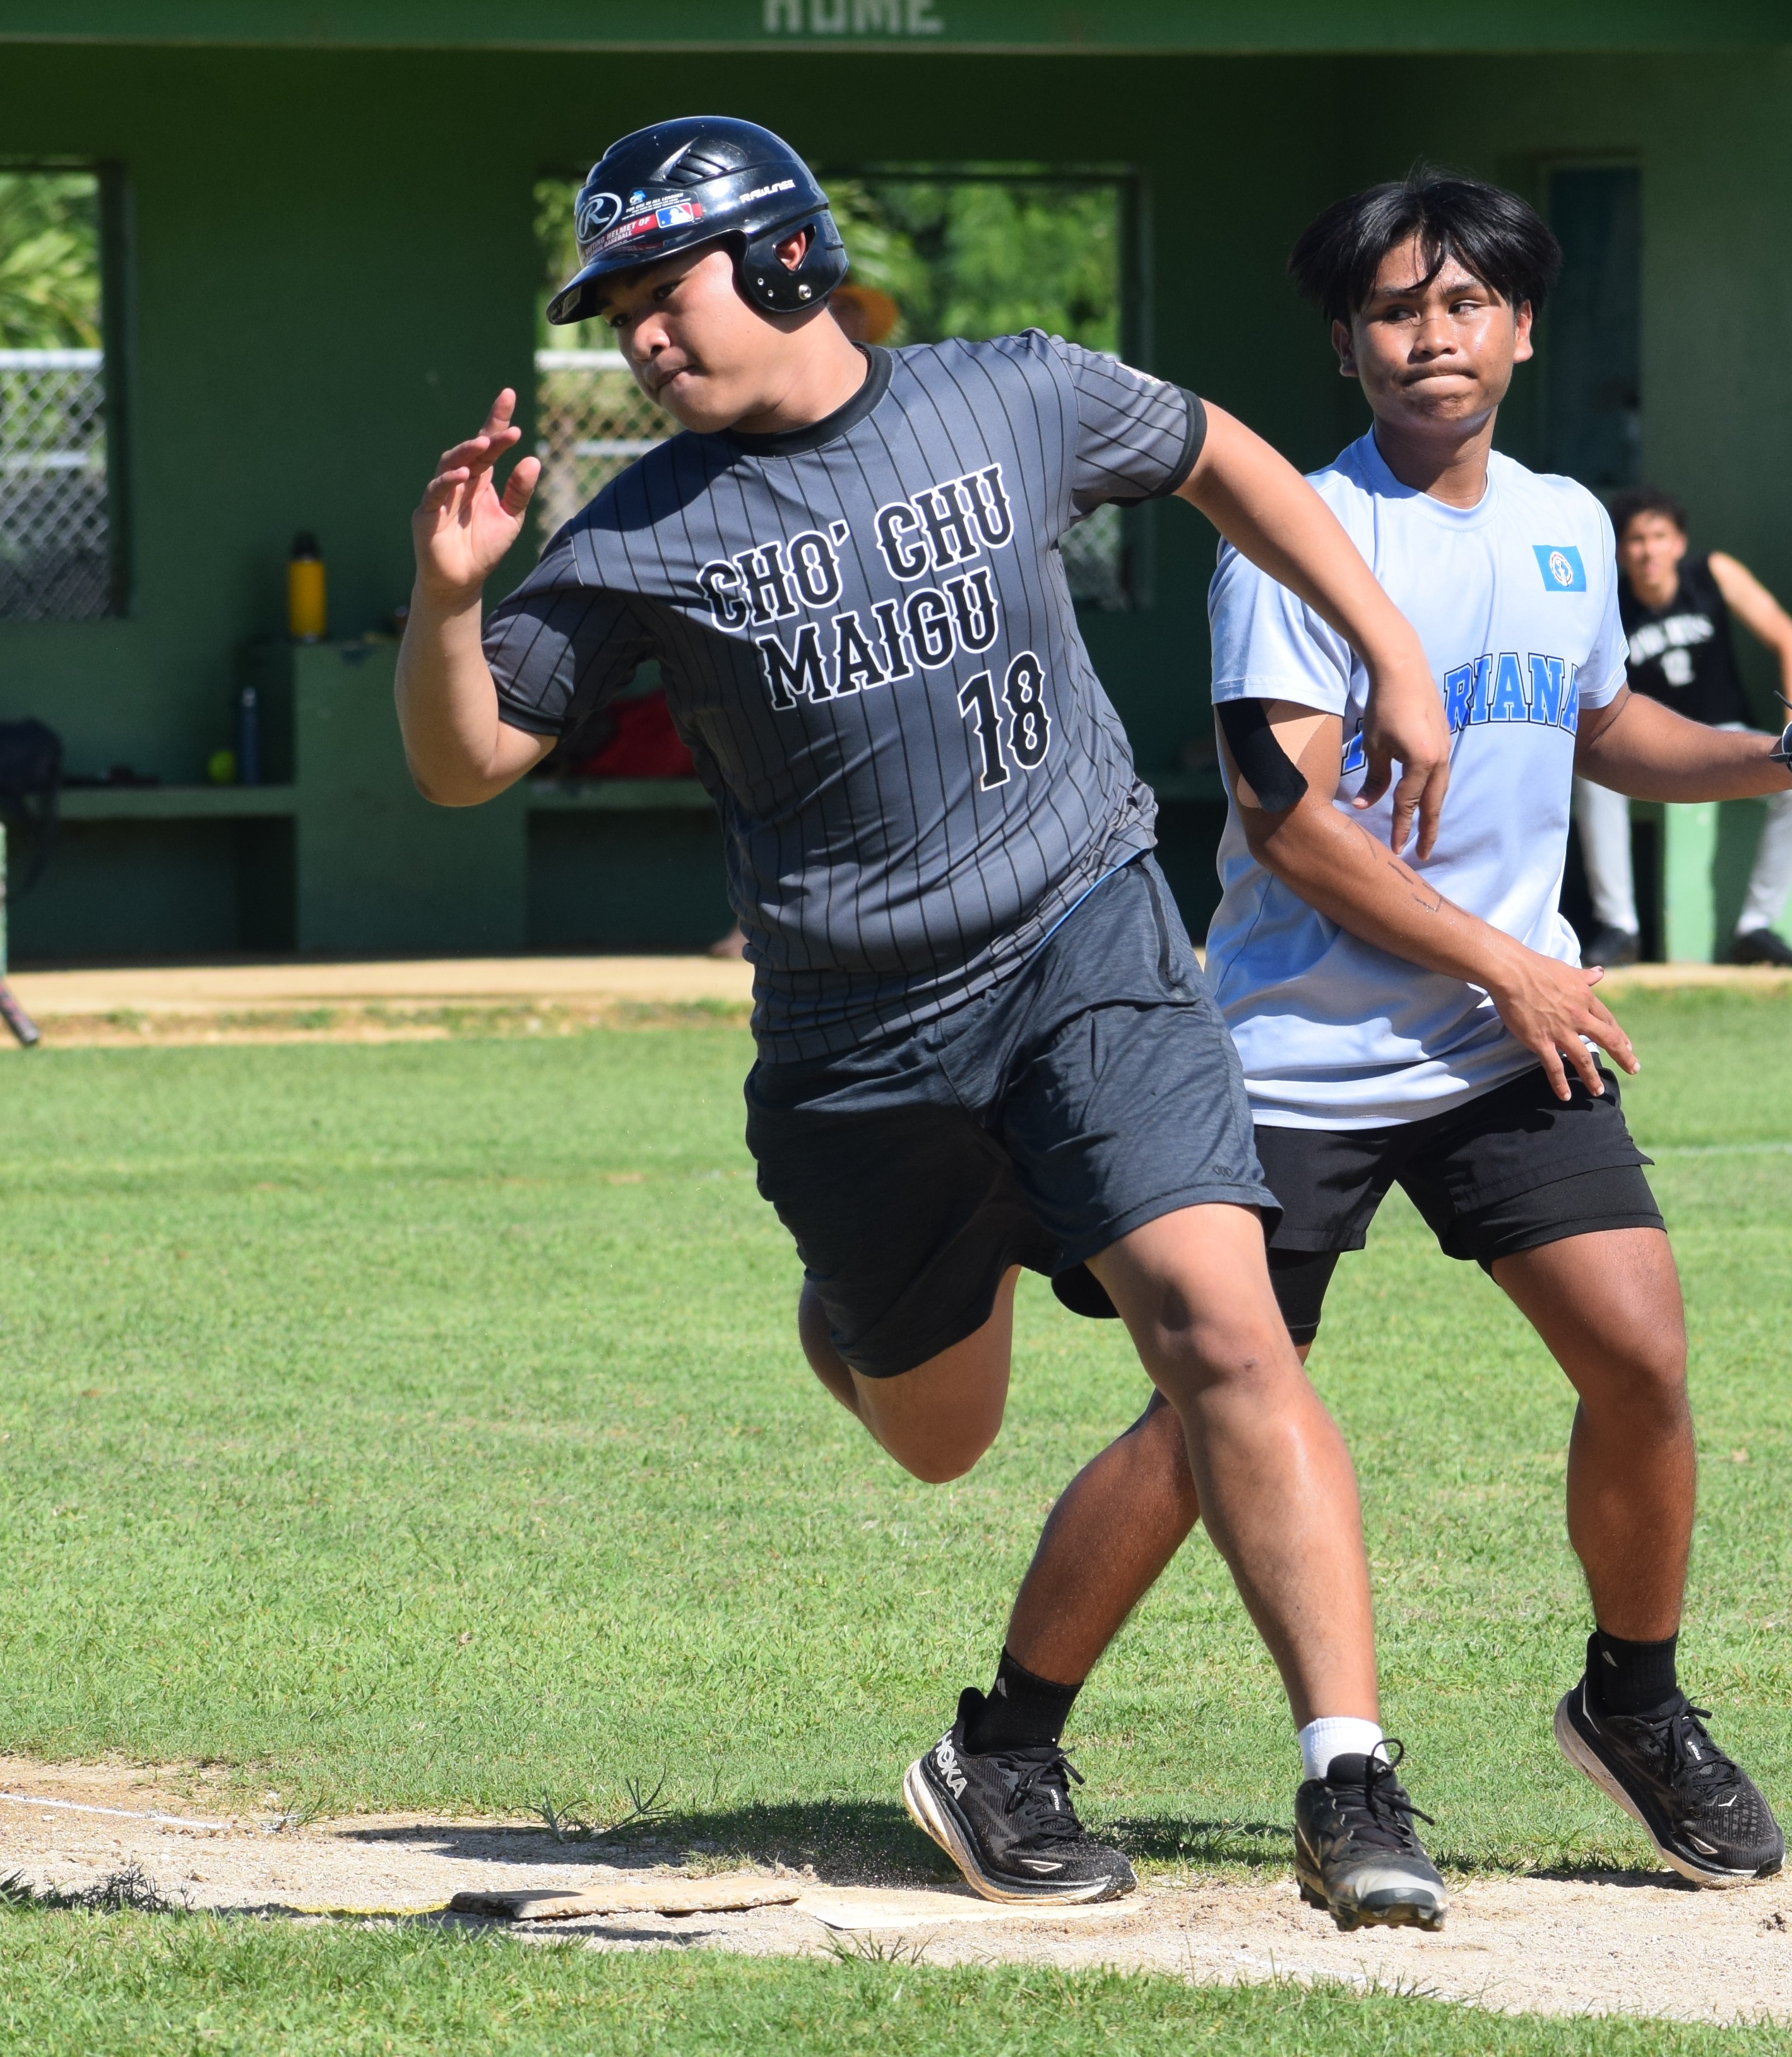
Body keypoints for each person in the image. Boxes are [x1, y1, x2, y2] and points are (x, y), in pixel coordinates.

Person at [393, 117, 1454, 1932]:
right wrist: (448, 592)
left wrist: (1389, 650)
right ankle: (856, 1317)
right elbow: (466, 757)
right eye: (618, 308)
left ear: (790, 258)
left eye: (669, 289)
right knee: (939, 1433)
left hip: (1084, 947)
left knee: (1225, 1327)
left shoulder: (1014, 392)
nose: (640, 334)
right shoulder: (641, 526)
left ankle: (1345, 1778)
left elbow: (1221, 458)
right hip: (859, 1049)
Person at [975, 173, 1792, 1894]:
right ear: (1344, 342)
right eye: (1391, 310)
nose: (1429, 337)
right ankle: (1003, 1745)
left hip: (1502, 1044)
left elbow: (1604, 725)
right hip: (1291, 1059)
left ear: (1519, 324)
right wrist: (1507, 960)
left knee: (1637, 1354)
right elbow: (1290, 821)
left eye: (1460, 303)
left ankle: (1631, 1703)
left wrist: (1781, 758)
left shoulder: (1568, 519)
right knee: (1205, 1428)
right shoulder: (1294, 537)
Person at [1572, 488, 1792, 967]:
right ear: (1621, 551)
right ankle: (1619, 926)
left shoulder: (1714, 574)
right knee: (1591, 777)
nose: (1649, 550)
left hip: (1723, 735)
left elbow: (1788, 638)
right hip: (1646, 748)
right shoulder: (1608, 599)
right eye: (1637, 539)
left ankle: (1756, 926)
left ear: (1679, 543)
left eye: (1659, 536)